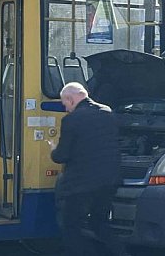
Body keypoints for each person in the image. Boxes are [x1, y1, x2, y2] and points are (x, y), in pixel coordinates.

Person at [47, 82, 126, 256]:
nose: (66, 108)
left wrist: (53, 149)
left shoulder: (71, 120)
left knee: (71, 226)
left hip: (80, 184)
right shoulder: (108, 112)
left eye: (65, 104)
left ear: (71, 98)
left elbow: (61, 156)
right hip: (109, 181)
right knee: (100, 223)